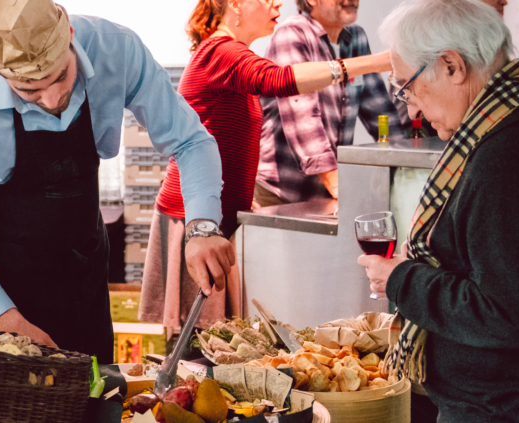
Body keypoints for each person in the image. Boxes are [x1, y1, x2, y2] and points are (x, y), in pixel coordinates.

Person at [0, 0, 235, 361]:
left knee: (96, 399)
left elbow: (190, 139)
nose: (54, 98)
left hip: (82, 273)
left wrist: (202, 227)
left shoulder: (115, 49)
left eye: (60, 76)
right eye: (30, 92)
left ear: (70, 36)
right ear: (2, 76)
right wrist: (7, 319)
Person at [142, 0, 393, 334]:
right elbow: (277, 79)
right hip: (193, 220)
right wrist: (382, 61)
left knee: (217, 342)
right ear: (235, 5)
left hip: (220, 217)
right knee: (197, 345)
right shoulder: (219, 51)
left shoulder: (233, 52)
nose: (277, 3)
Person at [358, 0, 519, 420]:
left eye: (407, 86)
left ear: (451, 66)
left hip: (494, 403)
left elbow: (509, 314)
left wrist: (401, 279)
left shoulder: (504, 157)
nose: (411, 109)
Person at [254, 0, 407, 207]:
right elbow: (302, 115)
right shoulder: (292, 32)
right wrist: (334, 181)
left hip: (324, 193)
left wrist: (406, 161)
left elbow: (379, 107)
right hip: (280, 194)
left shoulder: (356, 38)